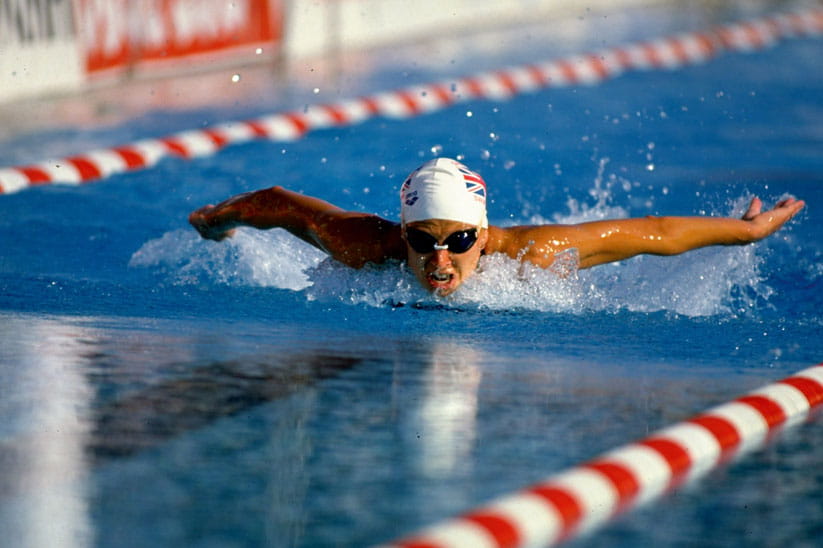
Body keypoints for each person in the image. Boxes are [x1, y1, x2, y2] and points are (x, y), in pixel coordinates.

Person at [189, 157, 805, 296]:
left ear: (482, 235)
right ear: (402, 234)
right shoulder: (366, 246)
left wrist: (745, 232)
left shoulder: (531, 255)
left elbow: (653, 233)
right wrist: (217, 222)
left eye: (459, 241)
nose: (440, 260)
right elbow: (278, 203)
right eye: (422, 240)